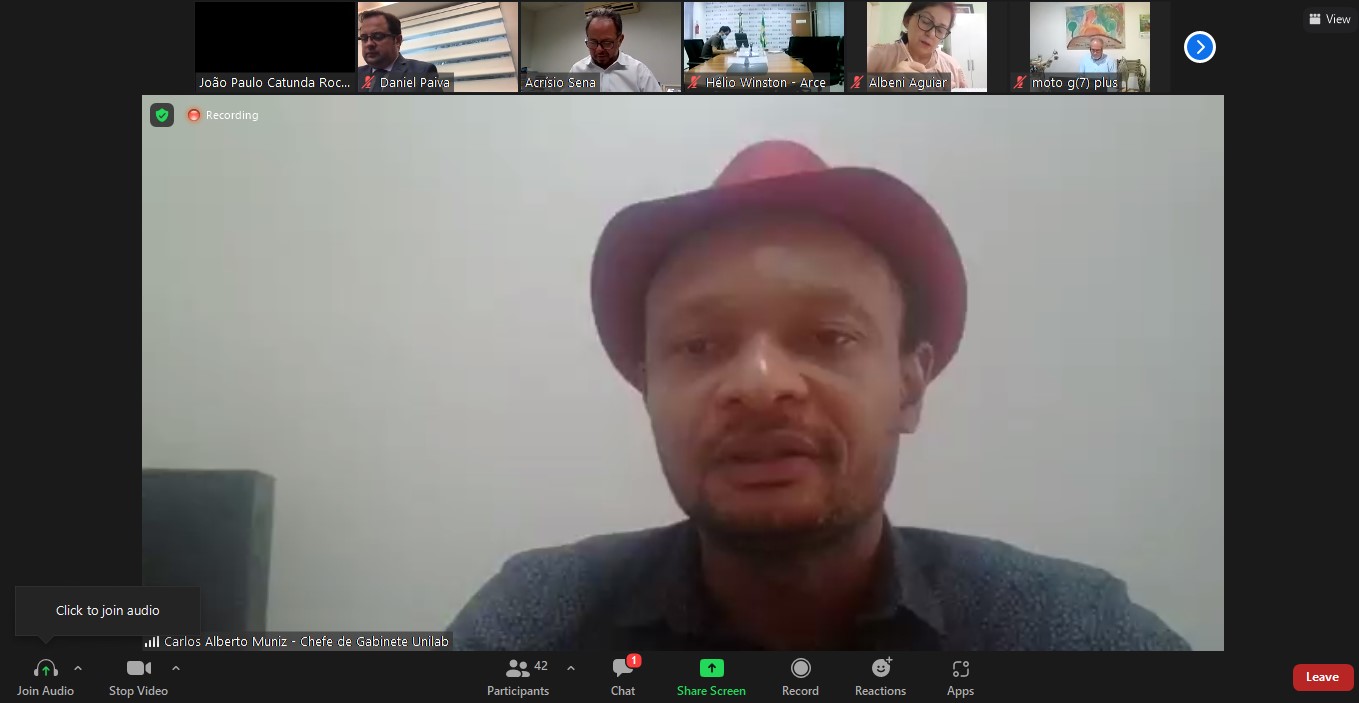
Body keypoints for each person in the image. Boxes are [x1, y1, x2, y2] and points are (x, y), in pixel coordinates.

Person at [446, 140, 1191, 651]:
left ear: (909, 384)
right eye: (699, 346)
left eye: (829, 337)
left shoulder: (1068, 632)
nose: (760, 384)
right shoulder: (537, 622)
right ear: (647, 390)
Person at [867, 1, 967, 89]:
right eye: (925, 21)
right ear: (907, 20)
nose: (931, 34)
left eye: (940, 30)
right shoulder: (875, 55)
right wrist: (884, 83)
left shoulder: (952, 67)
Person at [569, 7, 662, 92]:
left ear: (620, 40)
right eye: (593, 42)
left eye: (606, 43)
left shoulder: (639, 72)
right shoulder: (577, 71)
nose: (599, 50)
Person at [358, 10, 444, 93]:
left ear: (397, 40)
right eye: (364, 38)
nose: (369, 44)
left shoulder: (423, 72)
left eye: (378, 36)